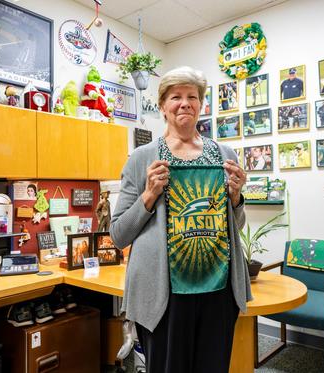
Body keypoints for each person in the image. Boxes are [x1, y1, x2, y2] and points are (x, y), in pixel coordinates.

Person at [110, 66, 251, 373]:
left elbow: (235, 226)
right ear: (163, 106)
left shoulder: (224, 154)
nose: (185, 103)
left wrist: (237, 198)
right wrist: (148, 195)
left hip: (218, 291)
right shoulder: (142, 158)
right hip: (165, 297)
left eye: (192, 96)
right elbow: (118, 235)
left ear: (201, 105)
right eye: (176, 96)